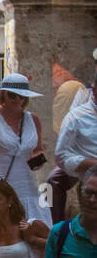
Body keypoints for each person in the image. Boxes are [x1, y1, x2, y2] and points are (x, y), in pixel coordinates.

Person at [0, 74, 48, 225]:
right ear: (3, 95)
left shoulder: (33, 119)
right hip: (0, 184)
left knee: (33, 232)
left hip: (28, 185)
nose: (17, 99)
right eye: (12, 95)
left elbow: (38, 149)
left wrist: (38, 159)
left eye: (22, 96)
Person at [47, 72, 93, 223]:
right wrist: (88, 163)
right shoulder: (81, 96)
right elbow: (62, 153)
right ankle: (55, 225)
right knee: (50, 183)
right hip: (83, 163)